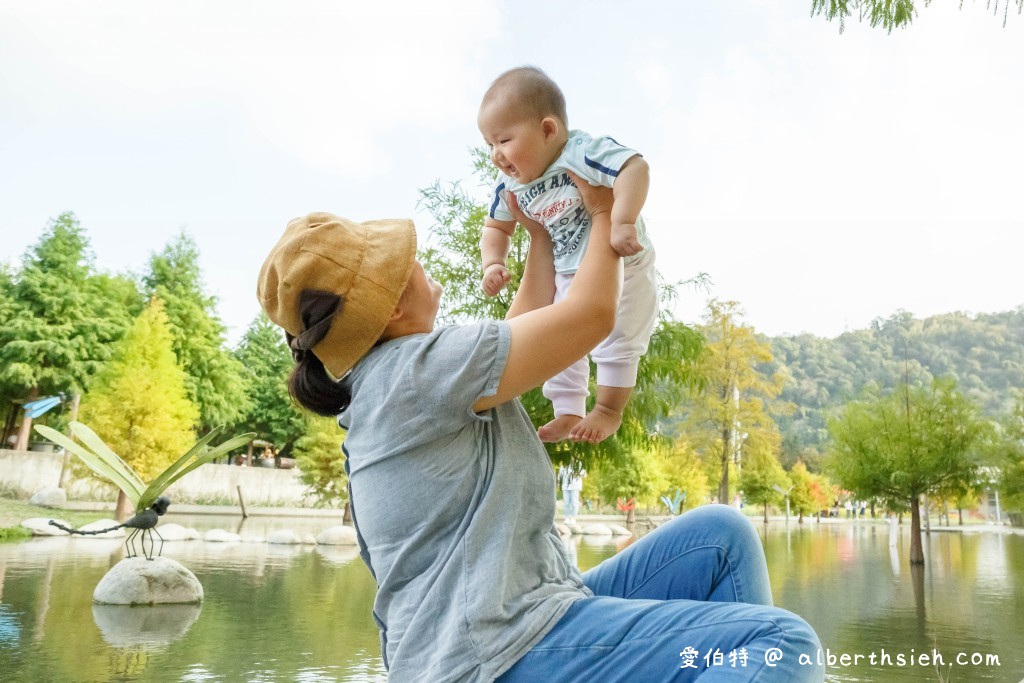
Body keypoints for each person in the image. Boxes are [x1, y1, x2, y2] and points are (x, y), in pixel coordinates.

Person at [256, 180, 823, 682]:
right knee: (779, 643)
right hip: (496, 654)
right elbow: (591, 316)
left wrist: (541, 236)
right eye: (408, 261)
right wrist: (604, 212)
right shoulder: (419, 370)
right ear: (395, 301)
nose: (419, 263)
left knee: (718, 537)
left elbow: (526, 329)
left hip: (519, 617)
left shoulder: (397, 377)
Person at [477, 66, 659, 445]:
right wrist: (493, 263)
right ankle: (568, 409)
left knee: (619, 340)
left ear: (548, 130)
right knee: (558, 337)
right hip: (566, 270)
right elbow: (495, 228)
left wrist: (622, 220)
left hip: (622, 259)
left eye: (504, 140)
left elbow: (634, 167)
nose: (496, 155)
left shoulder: (579, 153)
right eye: (489, 145)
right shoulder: (511, 184)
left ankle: (608, 410)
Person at [557, 459, 586, 525]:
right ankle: (567, 518)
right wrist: (559, 483)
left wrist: (577, 473)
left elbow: (584, 474)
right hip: (565, 486)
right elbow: (560, 475)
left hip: (575, 486)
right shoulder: (564, 464)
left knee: (574, 502)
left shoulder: (579, 464)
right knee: (566, 503)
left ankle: (573, 518)